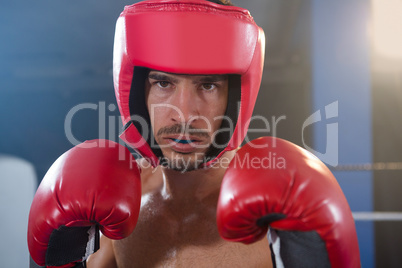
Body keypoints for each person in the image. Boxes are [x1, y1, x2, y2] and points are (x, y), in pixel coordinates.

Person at [27, 0, 361, 267]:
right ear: (136, 93)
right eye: (163, 83)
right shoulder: (120, 207)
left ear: (234, 97)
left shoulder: (276, 212)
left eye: (207, 85)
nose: (185, 114)